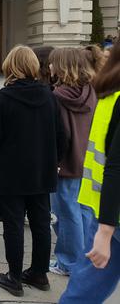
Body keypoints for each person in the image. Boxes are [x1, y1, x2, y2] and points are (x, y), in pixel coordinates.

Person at [0, 46, 65, 297]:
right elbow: (62, 135)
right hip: (41, 172)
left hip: (11, 173)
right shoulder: (49, 97)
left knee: (14, 225)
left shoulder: (4, 98)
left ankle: (15, 277)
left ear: (10, 66)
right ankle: (39, 273)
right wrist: (53, 160)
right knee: (41, 223)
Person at [59, 42, 120, 303]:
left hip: (102, 206)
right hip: (108, 212)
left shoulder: (107, 94)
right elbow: (116, 165)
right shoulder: (105, 96)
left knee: (83, 290)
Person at [48, 48, 97, 276]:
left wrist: (55, 160)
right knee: (84, 211)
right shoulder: (91, 92)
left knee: (66, 214)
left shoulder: (58, 96)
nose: (49, 67)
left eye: (52, 64)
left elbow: (60, 133)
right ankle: (84, 258)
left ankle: (68, 262)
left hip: (65, 163)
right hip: (87, 160)